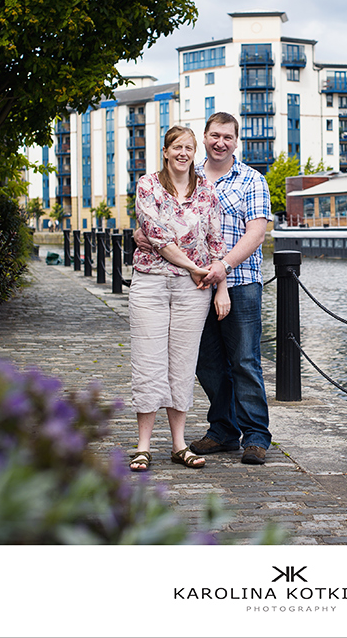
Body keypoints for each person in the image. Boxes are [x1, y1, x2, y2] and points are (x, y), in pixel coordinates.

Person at [135, 112, 273, 465]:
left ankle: (255, 436)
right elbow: (156, 226)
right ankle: (223, 430)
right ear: (205, 139)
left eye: (227, 137)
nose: (220, 142)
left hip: (237, 282)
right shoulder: (189, 176)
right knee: (207, 364)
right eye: (214, 136)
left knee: (244, 360)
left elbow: (256, 234)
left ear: (236, 141)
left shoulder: (251, 180)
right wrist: (143, 237)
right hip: (195, 284)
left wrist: (222, 270)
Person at [127, 125, 230, 472]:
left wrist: (220, 284)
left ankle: (179, 444)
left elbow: (216, 243)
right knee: (148, 361)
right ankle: (142, 446)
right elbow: (156, 234)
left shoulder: (207, 191)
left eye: (189, 147)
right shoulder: (147, 185)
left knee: (183, 364)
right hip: (151, 283)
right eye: (177, 147)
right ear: (166, 151)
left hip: (194, 290)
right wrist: (192, 266)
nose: (184, 153)